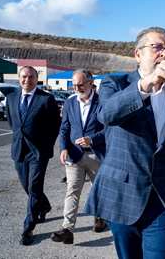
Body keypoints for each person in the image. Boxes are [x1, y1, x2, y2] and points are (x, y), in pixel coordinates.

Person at [84, 27, 165, 258]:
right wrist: (147, 83)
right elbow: (106, 114)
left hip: (163, 200)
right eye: (157, 47)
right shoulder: (115, 83)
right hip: (122, 194)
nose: (164, 53)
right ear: (138, 54)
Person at [6, 66, 61, 245]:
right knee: (26, 186)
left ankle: (28, 227)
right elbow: (12, 123)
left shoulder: (46, 99)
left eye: (31, 77)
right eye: (24, 76)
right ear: (19, 78)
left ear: (37, 79)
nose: (27, 80)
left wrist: (47, 146)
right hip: (19, 150)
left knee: (34, 187)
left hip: (38, 152)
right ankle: (44, 205)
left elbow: (55, 126)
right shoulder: (11, 98)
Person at [51, 69, 106, 244]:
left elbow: (110, 129)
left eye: (80, 84)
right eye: (74, 85)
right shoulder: (69, 103)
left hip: (96, 155)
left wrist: (93, 139)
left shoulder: (102, 102)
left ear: (91, 83)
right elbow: (65, 128)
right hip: (74, 156)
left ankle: (100, 218)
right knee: (72, 191)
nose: (77, 88)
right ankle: (67, 229)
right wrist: (63, 148)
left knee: (98, 190)